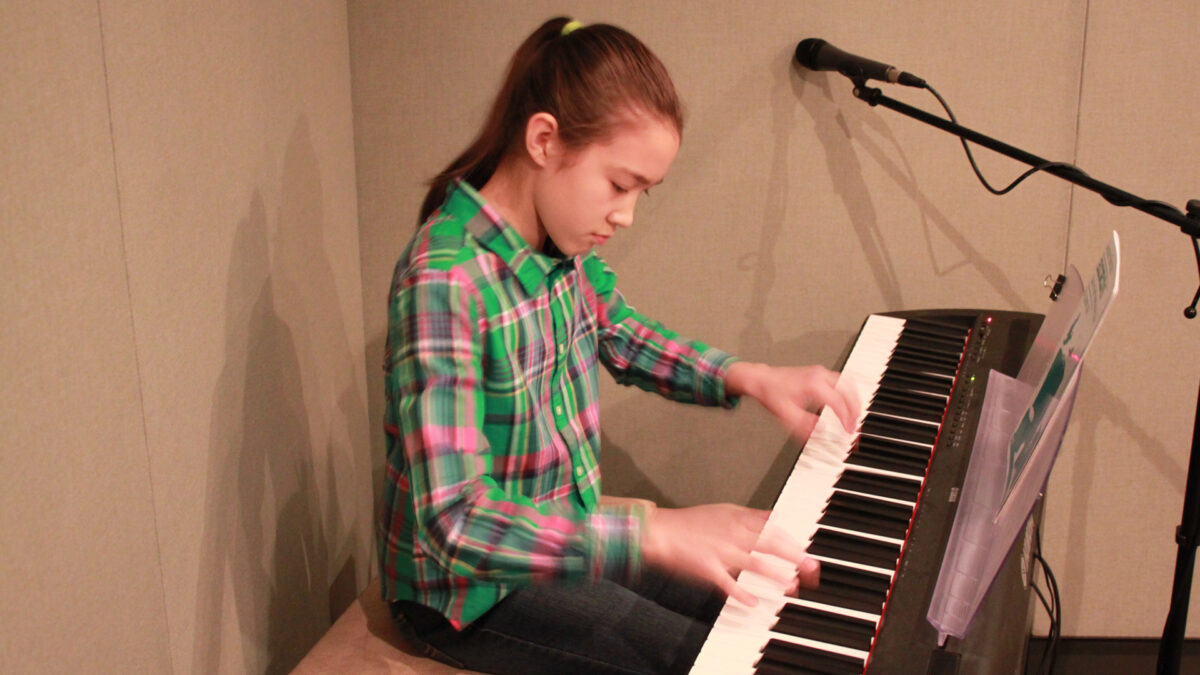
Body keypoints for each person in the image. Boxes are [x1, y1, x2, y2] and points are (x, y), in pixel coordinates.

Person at [379, 16, 859, 675]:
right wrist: (653, 532)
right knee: (710, 659)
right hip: (469, 596)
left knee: (764, 606)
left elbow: (623, 333)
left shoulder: (558, 250)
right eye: (619, 184)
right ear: (544, 140)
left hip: (558, 539)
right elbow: (458, 522)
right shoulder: (446, 279)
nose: (626, 215)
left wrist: (748, 375)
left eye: (642, 193)